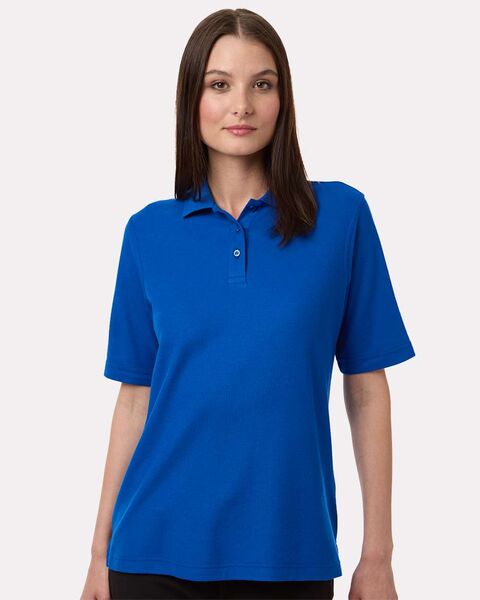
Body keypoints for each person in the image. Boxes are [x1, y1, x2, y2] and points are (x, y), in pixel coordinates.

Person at [81, 8, 415, 600]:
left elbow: (366, 387)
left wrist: (378, 556)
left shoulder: (341, 219)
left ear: (284, 100)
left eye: (262, 84)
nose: (242, 105)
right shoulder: (148, 232)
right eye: (219, 84)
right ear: (191, 99)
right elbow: (135, 398)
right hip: (151, 553)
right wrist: (97, 556)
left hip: (290, 554)